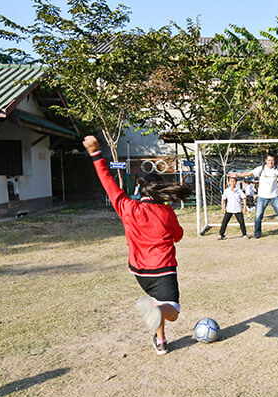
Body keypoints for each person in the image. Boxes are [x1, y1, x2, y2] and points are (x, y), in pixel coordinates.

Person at [82, 135, 192, 355]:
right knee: (172, 310)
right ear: (160, 190)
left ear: (139, 190)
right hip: (163, 269)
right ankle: (159, 314)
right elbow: (178, 236)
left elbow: (108, 183)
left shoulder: (127, 208)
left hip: (139, 272)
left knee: (155, 303)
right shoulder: (166, 212)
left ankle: (160, 341)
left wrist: (95, 153)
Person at [218, 175, 248, 240]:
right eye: (231, 181)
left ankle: (244, 234)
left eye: (234, 181)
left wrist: (245, 207)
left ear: (236, 182)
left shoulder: (239, 190)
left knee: (241, 222)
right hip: (229, 209)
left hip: (238, 209)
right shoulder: (226, 190)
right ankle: (221, 234)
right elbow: (223, 199)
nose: (232, 183)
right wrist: (223, 207)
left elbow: (244, 198)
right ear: (229, 182)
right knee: (224, 222)